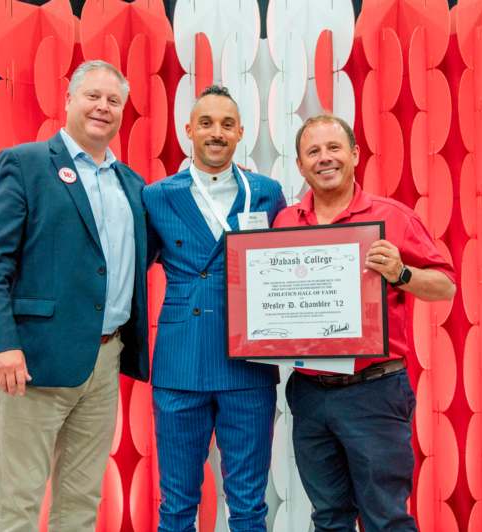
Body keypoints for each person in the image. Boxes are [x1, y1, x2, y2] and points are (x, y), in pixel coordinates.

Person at [0, 60, 149, 531]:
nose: (103, 107)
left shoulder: (132, 185)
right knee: (20, 503)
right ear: (68, 99)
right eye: (93, 96)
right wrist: (0, 343)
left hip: (105, 361)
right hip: (30, 361)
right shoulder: (24, 164)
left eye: (113, 101)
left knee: (81, 502)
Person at [273, 115, 456, 531]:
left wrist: (402, 273)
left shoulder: (393, 216)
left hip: (373, 391)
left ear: (354, 155)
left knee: (386, 518)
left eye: (334, 148)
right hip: (310, 394)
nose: (325, 159)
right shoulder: (284, 223)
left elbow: (445, 286)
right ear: (300, 165)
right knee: (329, 518)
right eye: (313, 151)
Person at [143, 85, 287, 531]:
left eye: (227, 124)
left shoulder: (266, 192)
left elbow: (283, 268)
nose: (216, 133)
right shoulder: (156, 195)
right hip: (179, 360)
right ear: (188, 130)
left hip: (248, 363)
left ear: (242, 132)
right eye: (206, 123)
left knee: (248, 504)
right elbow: (133, 270)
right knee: (177, 503)